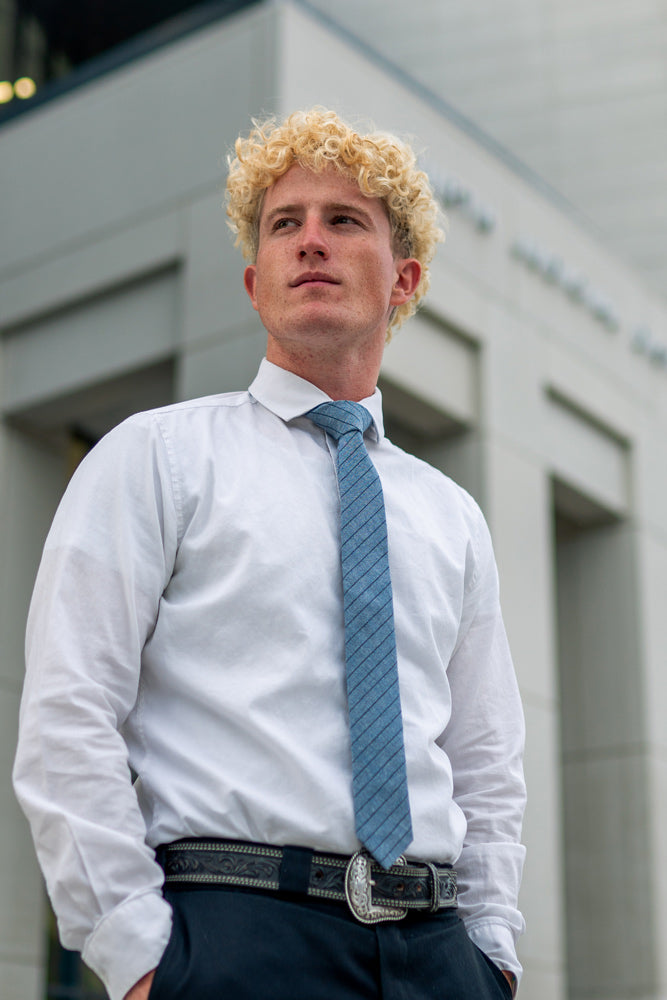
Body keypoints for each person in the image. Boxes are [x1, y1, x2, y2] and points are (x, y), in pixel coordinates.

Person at [13, 108, 526, 1000]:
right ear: (255, 284)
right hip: (233, 938)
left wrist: (491, 954)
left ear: (403, 278)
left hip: (439, 954)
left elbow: (484, 759)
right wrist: (139, 959)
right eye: (285, 223)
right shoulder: (156, 457)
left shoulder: (452, 516)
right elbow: (70, 711)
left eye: (344, 220)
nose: (310, 240)